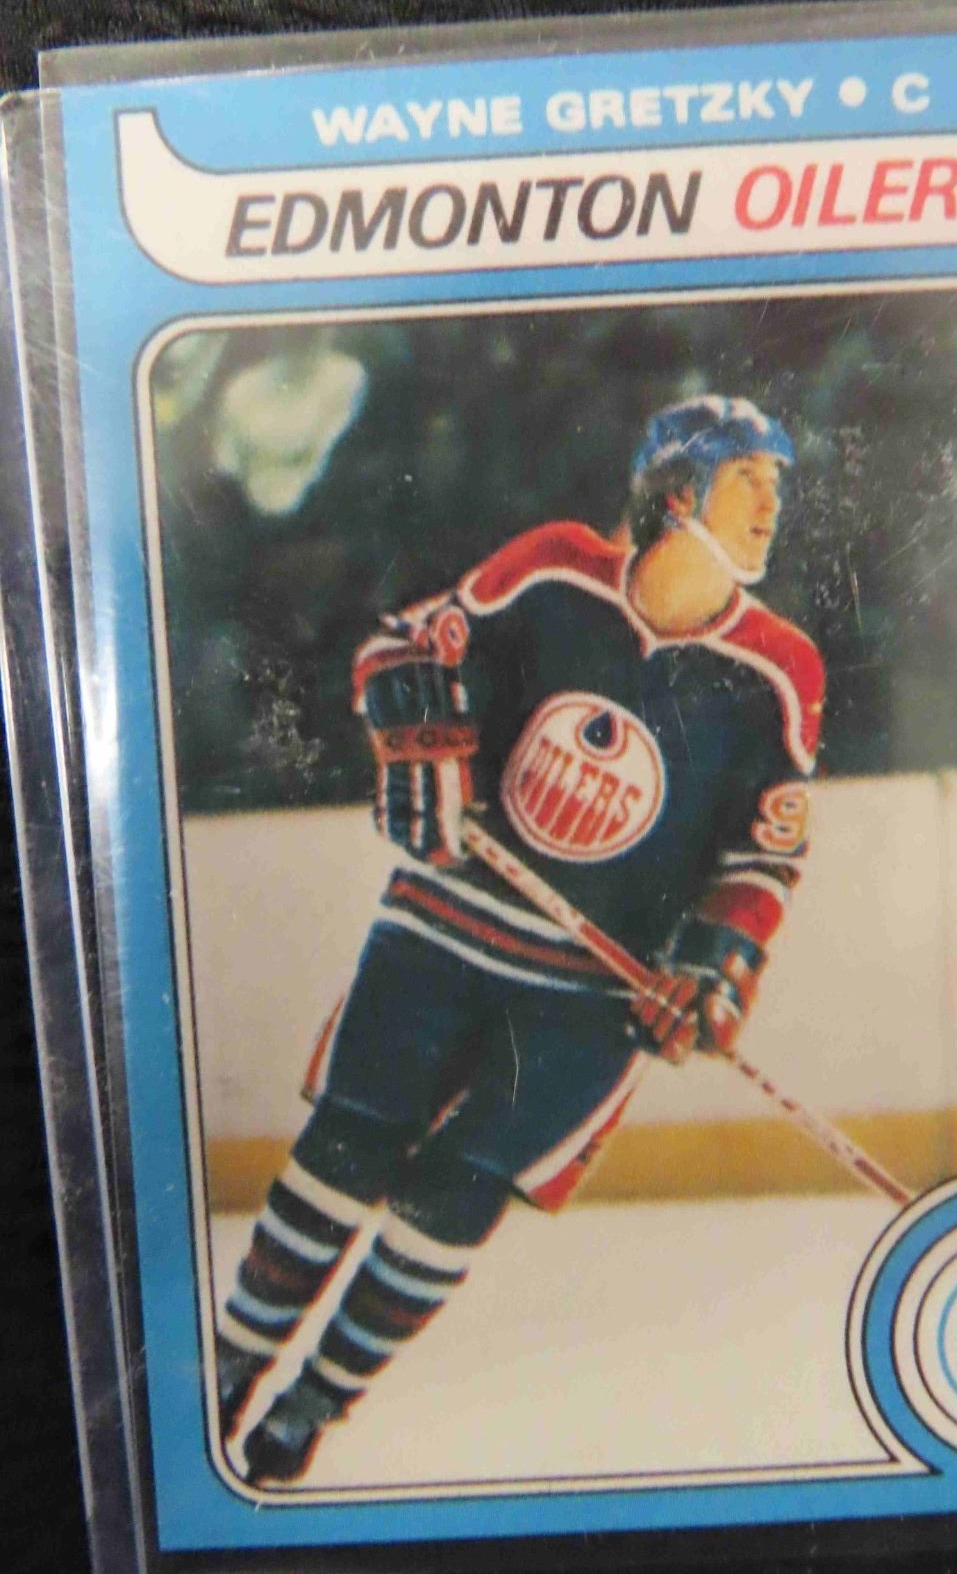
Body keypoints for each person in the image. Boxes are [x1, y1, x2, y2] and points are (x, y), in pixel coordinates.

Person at [214, 394, 825, 1486]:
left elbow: (764, 854)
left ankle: (312, 1402)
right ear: (680, 493)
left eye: (778, 486)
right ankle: (229, 1363)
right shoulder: (552, 569)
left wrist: (713, 963)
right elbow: (409, 648)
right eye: (749, 481)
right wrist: (417, 734)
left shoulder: (779, 670)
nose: (772, 507)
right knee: (348, 1143)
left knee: (458, 1193)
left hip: (589, 996)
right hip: (444, 924)